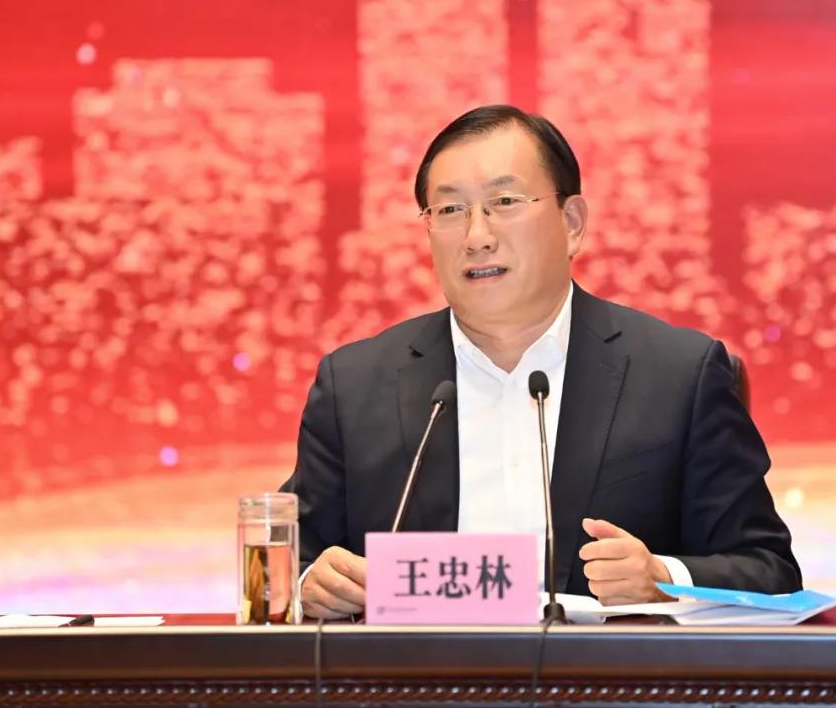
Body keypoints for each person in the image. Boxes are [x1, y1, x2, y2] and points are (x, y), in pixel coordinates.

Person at [283, 105, 801, 620]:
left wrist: (662, 578)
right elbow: (288, 559)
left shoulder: (678, 375)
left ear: (571, 223)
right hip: (419, 668)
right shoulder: (354, 386)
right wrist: (310, 583)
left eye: (504, 202)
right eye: (450, 209)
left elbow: (770, 570)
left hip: (608, 671)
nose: (477, 236)